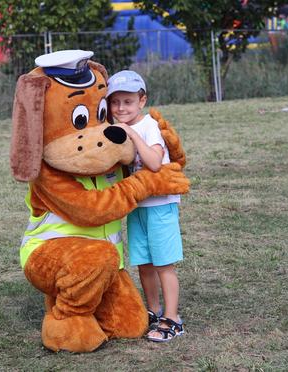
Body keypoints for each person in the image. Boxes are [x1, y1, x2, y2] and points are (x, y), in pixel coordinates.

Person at [106, 70, 186, 342]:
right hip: (137, 205)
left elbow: (153, 162)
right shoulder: (115, 129)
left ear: (142, 101)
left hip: (160, 205)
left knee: (164, 264)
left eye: (127, 101)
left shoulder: (149, 124)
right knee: (144, 264)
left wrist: (132, 134)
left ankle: (173, 318)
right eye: (115, 102)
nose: (121, 108)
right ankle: (153, 311)